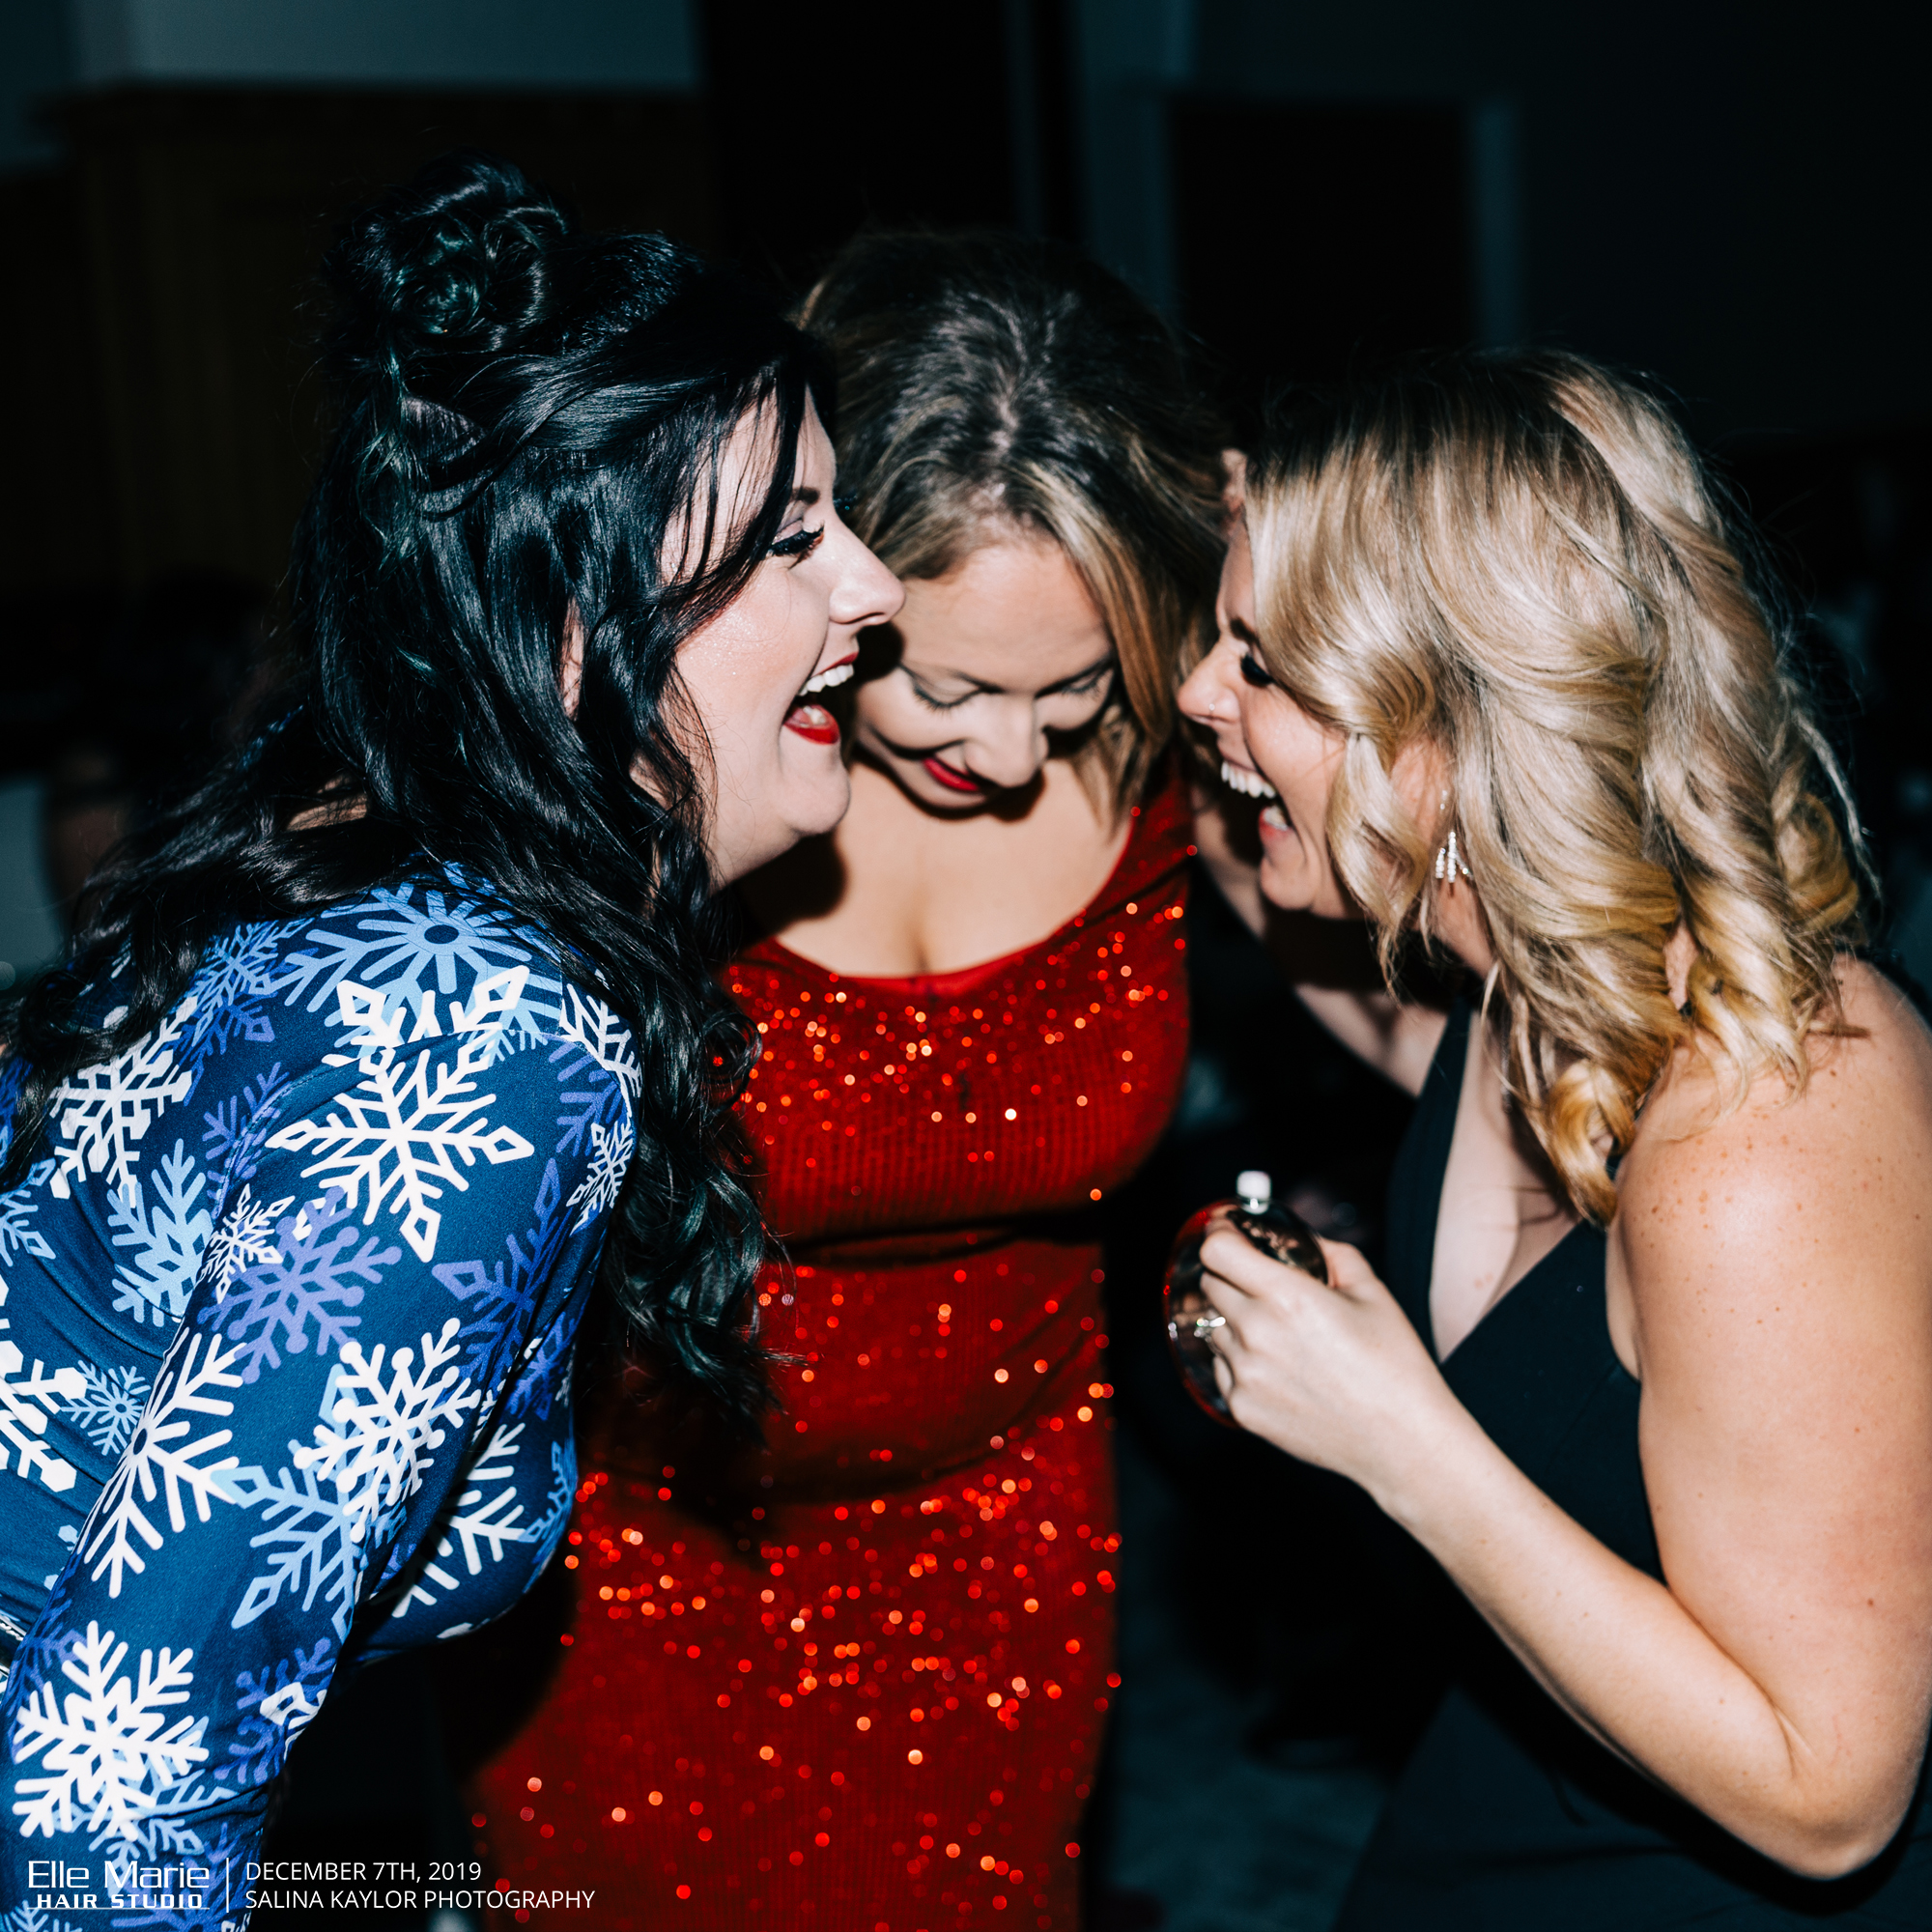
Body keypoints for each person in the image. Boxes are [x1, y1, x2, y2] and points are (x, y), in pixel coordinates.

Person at [0, 150, 899, 1902]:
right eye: (793, 538)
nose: (871, 589)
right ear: (568, 622)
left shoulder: (344, 831)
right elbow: (115, 1770)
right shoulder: (484, 1036)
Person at [467, 230, 1226, 1927]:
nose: (1013, 755)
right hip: (640, 1571)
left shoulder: (1182, 783)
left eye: (1077, 687)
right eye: (947, 687)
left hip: (1010, 1541)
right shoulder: (658, 779)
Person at [1178, 351, 1932, 1924]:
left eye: (1260, 661)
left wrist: (1397, 1439)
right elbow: (1393, 1029)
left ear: (1445, 730)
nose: (1201, 692)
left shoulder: (1767, 1135)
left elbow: (1830, 1797)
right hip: (1505, 1801)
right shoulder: (1534, 989)